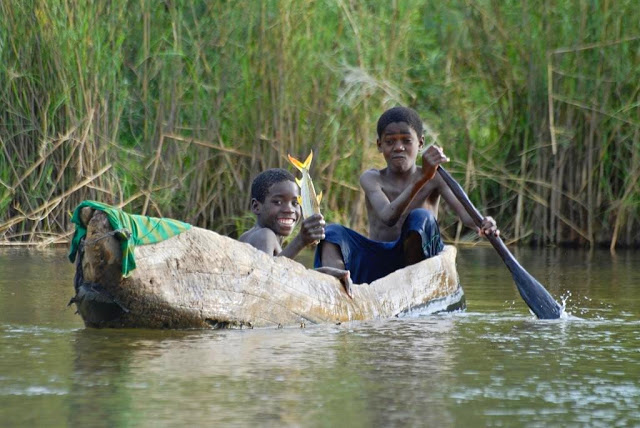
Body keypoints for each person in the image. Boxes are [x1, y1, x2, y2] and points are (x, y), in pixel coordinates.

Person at [315, 106, 499, 284]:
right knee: (332, 232)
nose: (398, 147)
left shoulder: (436, 178)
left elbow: (467, 216)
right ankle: (336, 287)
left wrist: (484, 222)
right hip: (380, 261)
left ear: (420, 143)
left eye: (406, 141)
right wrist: (422, 179)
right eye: (390, 141)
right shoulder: (372, 179)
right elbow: (388, 216)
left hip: (419, 267)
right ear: (379, 145)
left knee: (420, 217)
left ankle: (412, 288)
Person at [239, 168, 352, 296]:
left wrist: (321, 275)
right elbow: (265, 282)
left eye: (295, 203)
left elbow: (281, 273)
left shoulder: (253, 235)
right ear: (256, 206)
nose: (289, 209)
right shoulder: (264, 235)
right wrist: (300, 241)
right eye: (278, 202)